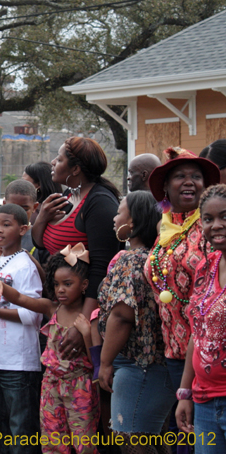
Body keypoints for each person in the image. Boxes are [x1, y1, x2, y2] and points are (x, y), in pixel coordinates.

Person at [0, 245, 98, 454]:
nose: (60, 290)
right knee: (52, 439)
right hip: (50, 385)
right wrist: (1, 284)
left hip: (79, 387)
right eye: (56, 285)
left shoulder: (90, 318)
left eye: (67, 284)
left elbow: (95, 362)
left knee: (84, 443)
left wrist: (85, 333)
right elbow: (21, 299)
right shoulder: (51, 308)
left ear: (84, 285)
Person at [97, 191, 172, 450]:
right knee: (152, 437)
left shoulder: (131, 260)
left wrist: (105, 363)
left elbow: (121, 316)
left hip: (138, 364)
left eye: (120, 212)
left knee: (130, 438)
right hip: (158, 364)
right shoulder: (157, 257)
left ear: (134, 221)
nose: (114, 218)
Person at [144, 148, 220, 394]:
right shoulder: (164, 227)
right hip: (172, 349)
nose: (189, 181)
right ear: (166, 186)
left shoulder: (212, 227)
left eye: (196, 176)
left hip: (209, 350)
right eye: (180, 176)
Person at [32, 137, 121, 326]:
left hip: (86, 313)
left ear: (75, 169)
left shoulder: (99, 203)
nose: (53, 163)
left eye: (59, 158)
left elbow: (101, 269)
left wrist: (82, 323)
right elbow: (40, 244)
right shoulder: (67, 196)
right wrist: (42, 218)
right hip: (64, 306)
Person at [0, 204, 43, 454]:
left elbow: (32, 313)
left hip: (18, 363)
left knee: (21, 430)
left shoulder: (24, 265)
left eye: (6, 225)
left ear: (23, 229)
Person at [176, 184, 226, 452]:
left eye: (224, 217)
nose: (216, 225)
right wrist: (185, 392)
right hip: (204, 401)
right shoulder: (206, 266)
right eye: (208, 219)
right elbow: (198, 331)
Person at [0, 180, 46, 268]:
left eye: (25, 209)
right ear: (4, 204)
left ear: (34, 207)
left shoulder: (40, 239)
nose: (17, 213)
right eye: (12, 207)